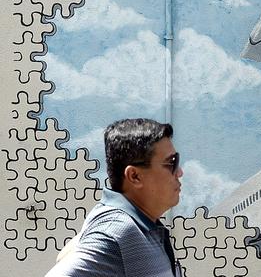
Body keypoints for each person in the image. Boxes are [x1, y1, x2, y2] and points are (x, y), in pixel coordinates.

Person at [46, 118, 184, 277]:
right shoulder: (116, 232)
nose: (179, 172)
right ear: (134, 176)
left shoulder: (138, 227)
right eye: (171, 163)